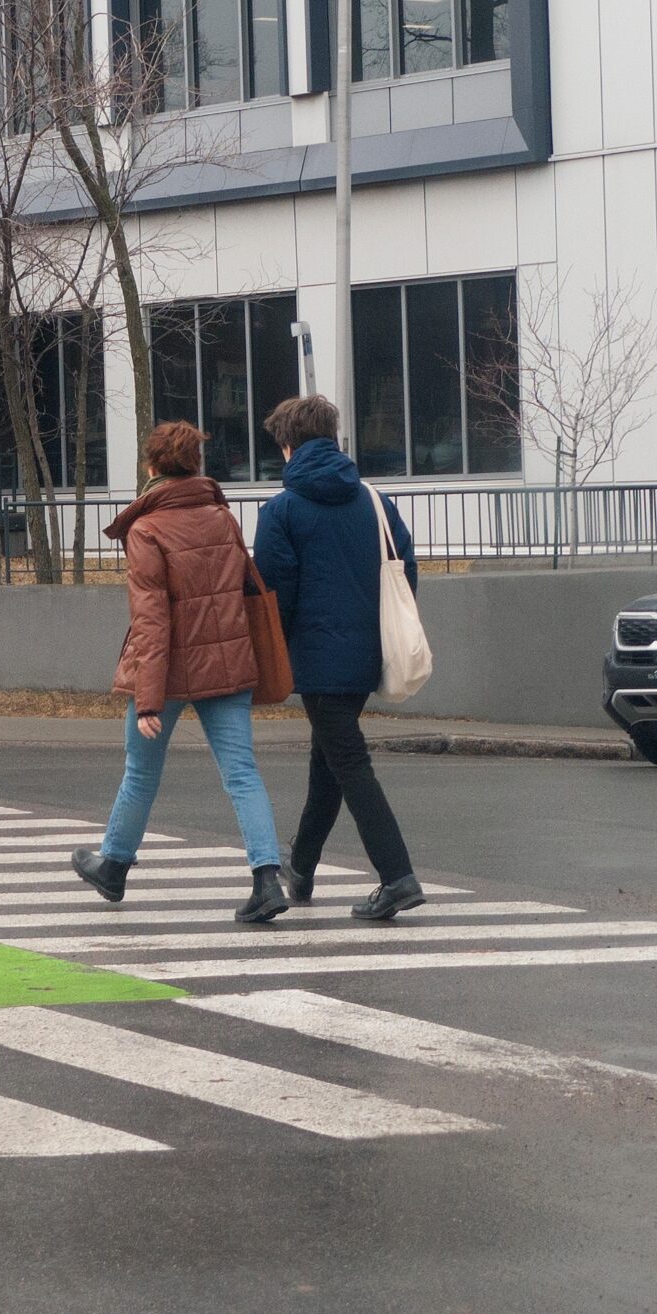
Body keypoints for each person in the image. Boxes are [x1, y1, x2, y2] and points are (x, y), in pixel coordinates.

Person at [71, 420, 290, 925]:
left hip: (165, 673)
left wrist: (148, 698)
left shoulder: (146, 528)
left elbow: (151, 617)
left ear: (152, 467)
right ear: (195, 465)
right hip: (228, 663)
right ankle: (266, 878)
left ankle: (114, 866)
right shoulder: (221, 517)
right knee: (242, 772)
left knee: (141, 771)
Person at [252, 393, 427, 922]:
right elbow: (405, 571)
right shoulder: (375, 501)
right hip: (366, 655)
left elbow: (275, 595)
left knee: (349, 764)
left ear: (287, 446)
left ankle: (397, 877)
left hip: (317, 658)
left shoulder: (280, 510)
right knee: (327, 762)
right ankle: (300, 869)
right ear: (332, 438)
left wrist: (273, 660)